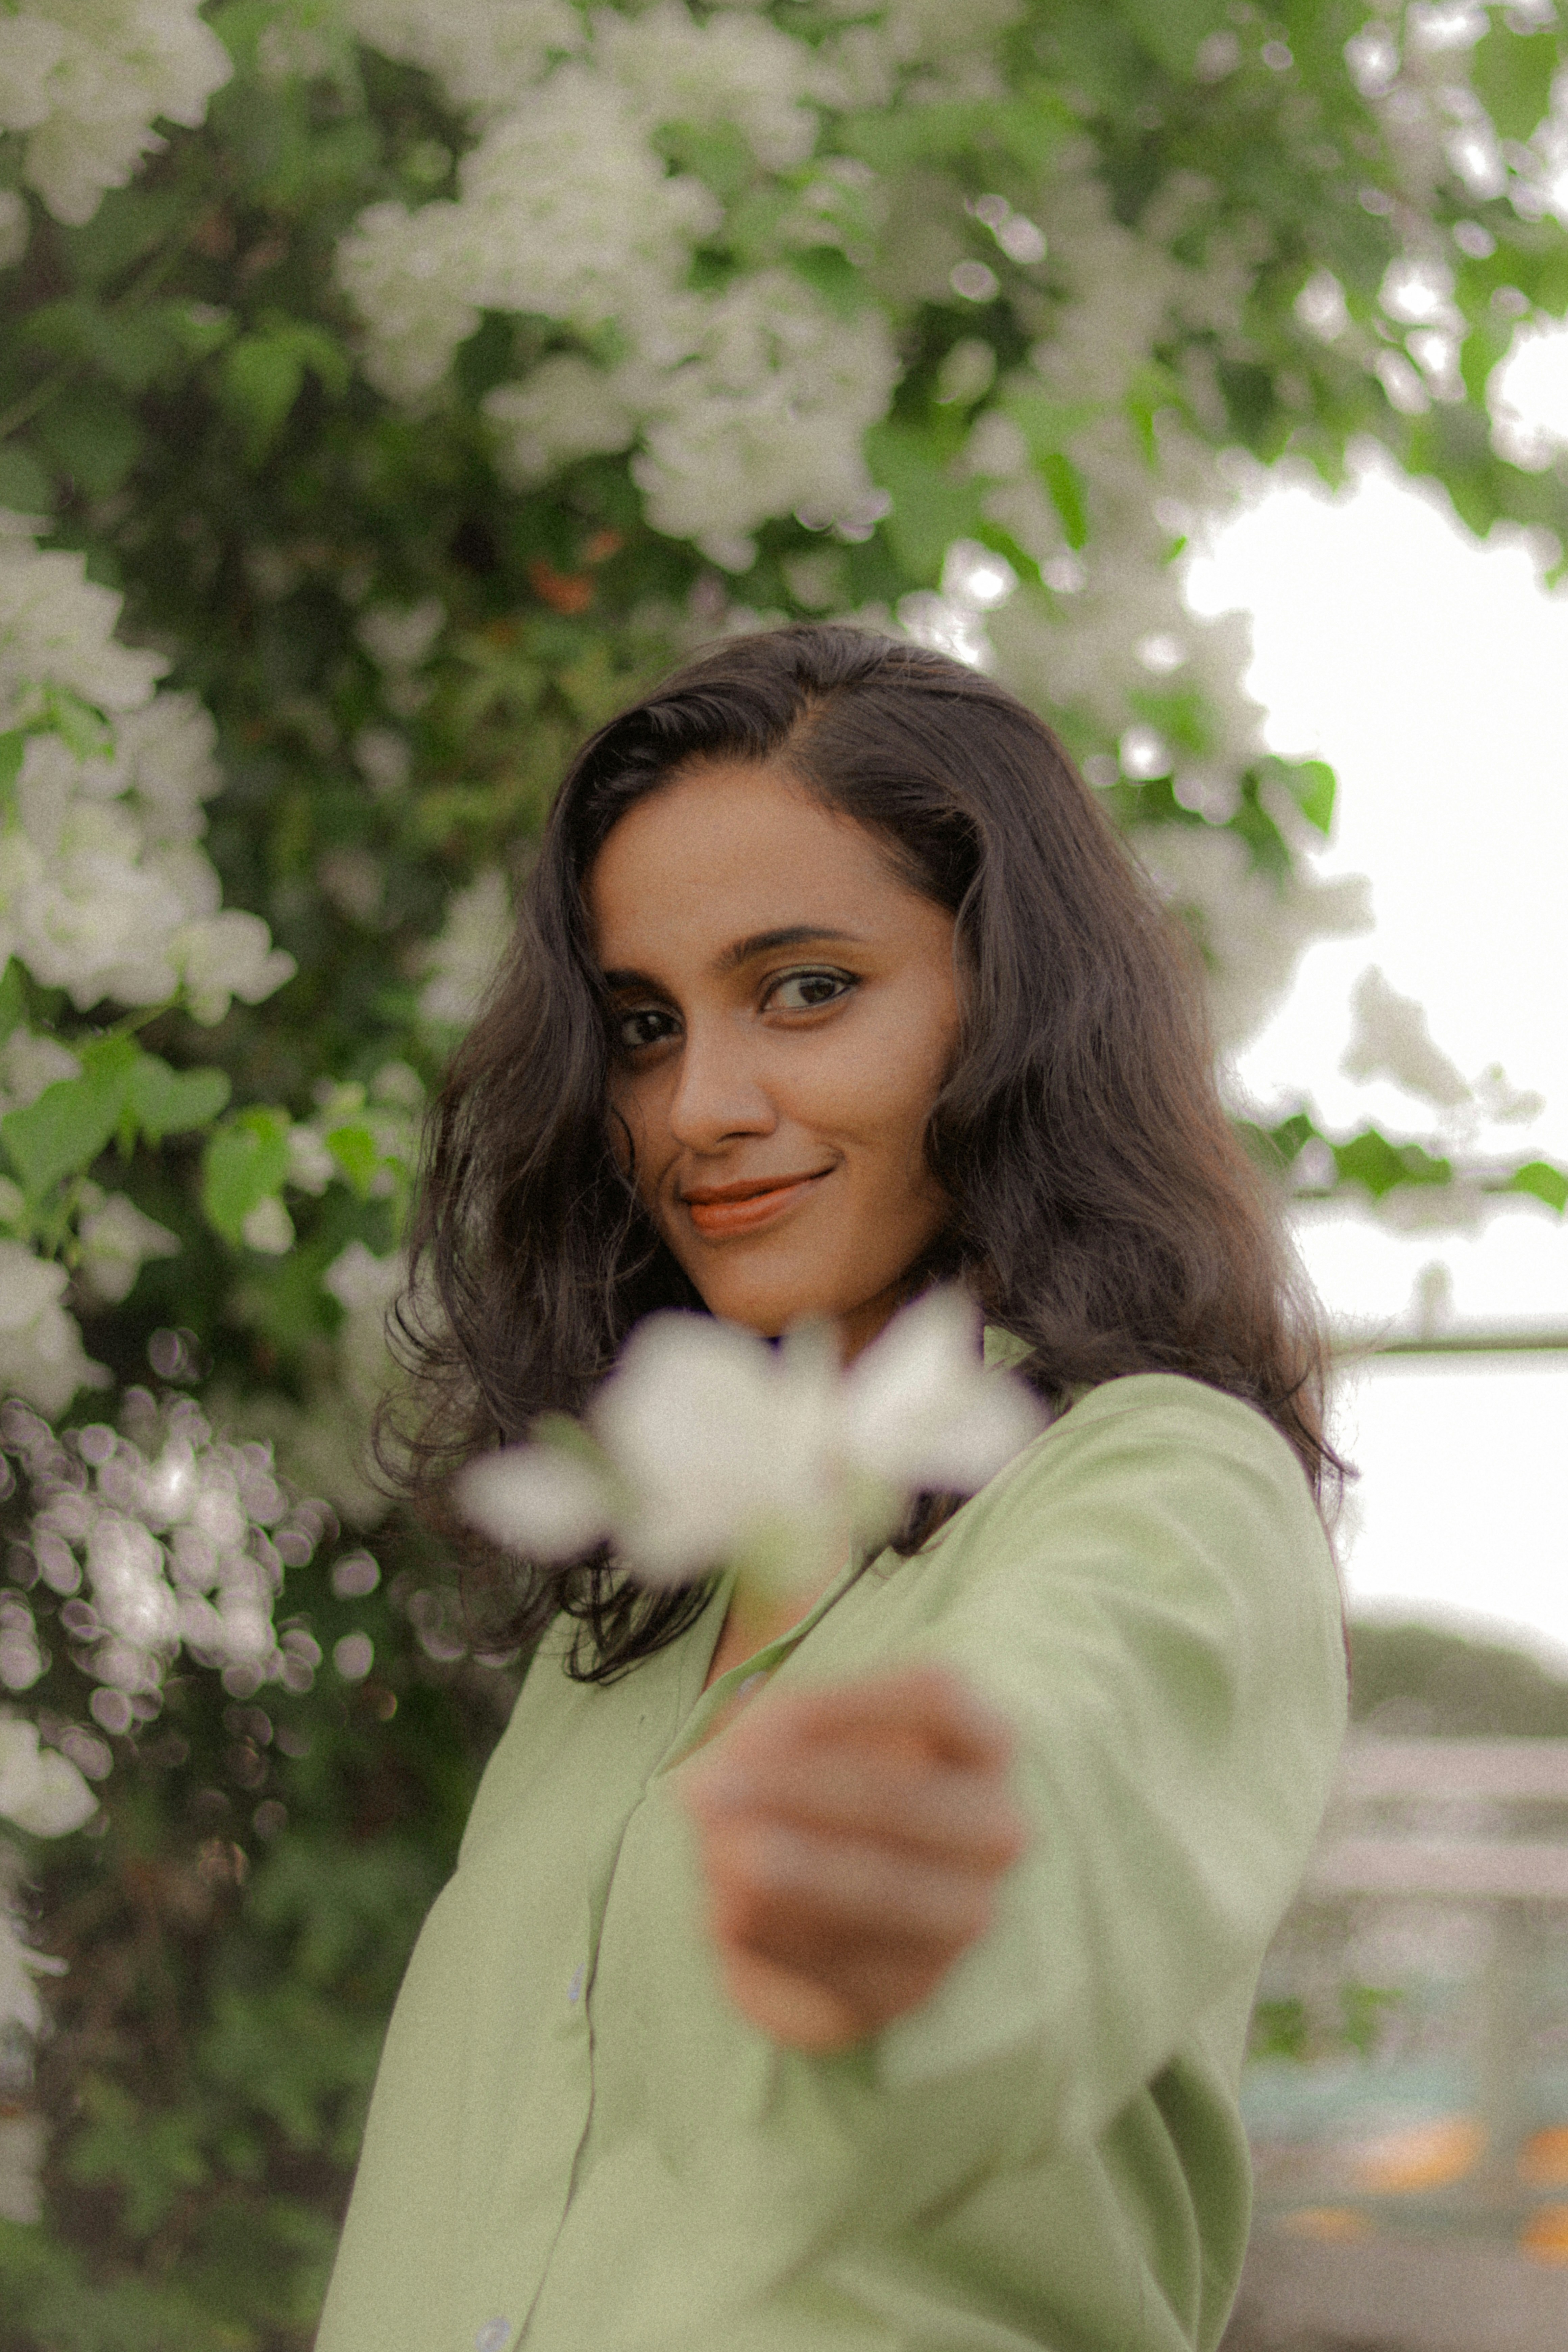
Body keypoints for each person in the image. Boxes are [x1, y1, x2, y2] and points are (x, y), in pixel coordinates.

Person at [315, 623, 1346, 2352]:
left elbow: (1053, 1781)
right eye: (643, 1026)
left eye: (804, 989)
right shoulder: (629, 1617)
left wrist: (911, 1888)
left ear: (1010, 1008)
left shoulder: (1159, 1483)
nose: (697, 1107)